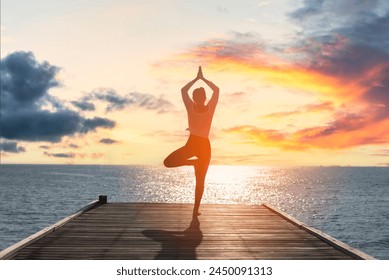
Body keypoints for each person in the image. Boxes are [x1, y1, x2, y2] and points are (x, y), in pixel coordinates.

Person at [164, 66, 219, 218]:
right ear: (194, 98)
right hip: (192, 143)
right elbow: (183, 91)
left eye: (200, 97)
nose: (198, 99)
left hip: (204, 147)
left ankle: (195, 211)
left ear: (204, 98)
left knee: (200, 180)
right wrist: (196, 79)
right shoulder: (190, 107)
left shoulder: (210, 108)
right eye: (196, 97)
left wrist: (203, 79)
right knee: (168, 162)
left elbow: (217, 91)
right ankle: (192, 163)